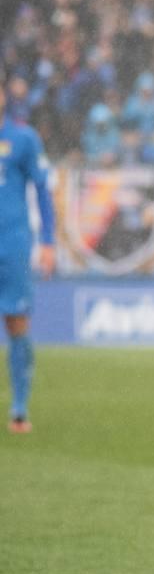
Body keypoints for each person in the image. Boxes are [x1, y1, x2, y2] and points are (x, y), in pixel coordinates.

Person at [0, 85, 55, 433]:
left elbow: (42, 190)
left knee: (16, 321)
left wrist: (48, 241)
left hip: (12, 243)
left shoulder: (23, 138)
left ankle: (19, 407)